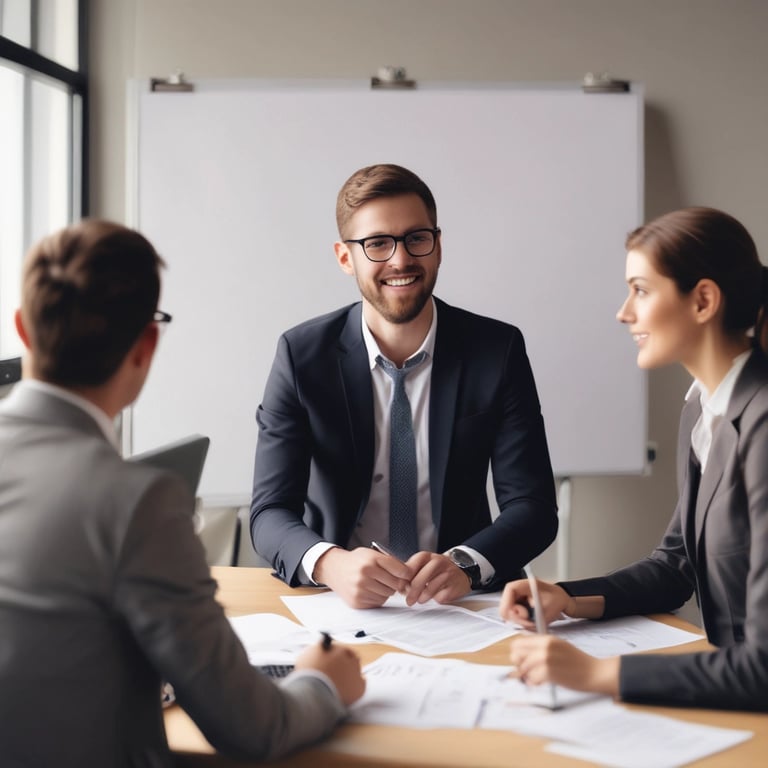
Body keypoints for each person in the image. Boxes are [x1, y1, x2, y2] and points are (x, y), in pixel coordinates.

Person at [0, 219, 365, 767]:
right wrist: (322, 682)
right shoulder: (135, 502)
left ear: (22, 329)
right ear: (147, 345)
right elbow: (255, 730)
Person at [250, 163, 558, 609]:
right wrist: (331, 564)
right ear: (345, 257)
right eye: (377, 243)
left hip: (463, 601)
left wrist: (466, 563)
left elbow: (533, 507)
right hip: (338, 601)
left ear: (438, 245)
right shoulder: (301, 356)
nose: (400, 259)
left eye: (416, 238)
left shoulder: (497, 350)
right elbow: (269, 512)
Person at [500, 206, 768, 711]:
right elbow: (676, 565)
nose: (625, 313)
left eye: (641, 290)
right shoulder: (702, 408)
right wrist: (567, 598)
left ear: (703, 301)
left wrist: (597, 673)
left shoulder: (762, 423)